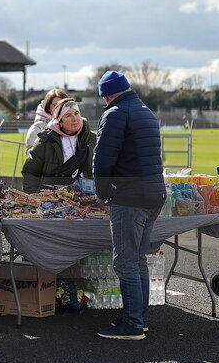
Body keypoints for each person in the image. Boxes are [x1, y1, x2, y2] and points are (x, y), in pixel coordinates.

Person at [93, 71, 166, 341]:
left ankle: (132, 323)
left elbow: (102, 161)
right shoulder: (145, 111)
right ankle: (139, 318)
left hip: (130, 196)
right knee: (138, 261)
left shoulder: (114, 114)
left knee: (125, 262)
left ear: (106, 95)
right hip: (155, 192)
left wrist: (102, 194)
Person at [21, 98, 96, 193]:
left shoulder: (92, 139)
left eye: (76, 113)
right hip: (51, 198)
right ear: (59, 121)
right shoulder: (45, 140)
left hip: (86, 196)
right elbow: (31, 172)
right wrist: (32, 197)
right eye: (68, 115)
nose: (75, 119)